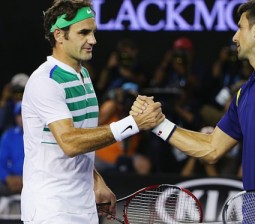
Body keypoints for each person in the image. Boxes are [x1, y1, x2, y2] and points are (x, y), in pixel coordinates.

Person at [133, 0, 255, 222]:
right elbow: (211, 149)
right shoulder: (244, 93)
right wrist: (159, 125)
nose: (234, 37)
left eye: (240, 27)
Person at [21, 1, 164, 223]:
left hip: (83, 206)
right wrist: (134, 123)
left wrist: (96, 180)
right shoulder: (45, 81)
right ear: (59, 35)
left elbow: (83, 138)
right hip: (51, 209)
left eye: (93, 32)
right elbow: (70, 143)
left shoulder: (83, 75)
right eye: (84, 33)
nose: (93, 40)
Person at [0, 102, 24, 196]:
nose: (22, 118)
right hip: (12, 180)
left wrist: (25, 180)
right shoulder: (8, 135)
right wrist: (7, 178)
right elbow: (1, 161)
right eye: (19, 114)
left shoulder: (39, 136)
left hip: (33, 180)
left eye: (24, 114)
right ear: (15, 117)